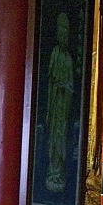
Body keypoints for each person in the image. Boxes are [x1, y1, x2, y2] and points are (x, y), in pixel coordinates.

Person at [44, 12, 75, 193]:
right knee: (53, 142)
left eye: (65, 33)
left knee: (61, 141)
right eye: (60, 33)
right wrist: (57, 88)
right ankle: (51, 172)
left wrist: (65, 87)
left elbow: (70, 85)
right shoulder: (55, 53)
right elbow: (50, 80)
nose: (63, 36)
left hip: (63, 109)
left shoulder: (69, 59)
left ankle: (58, 172)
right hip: (55, 104)